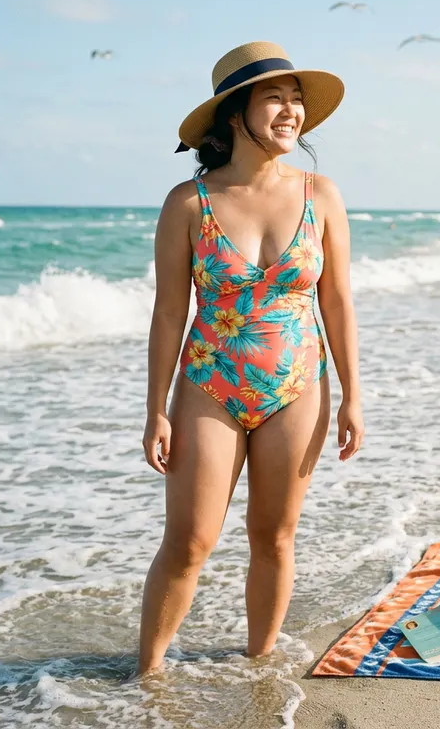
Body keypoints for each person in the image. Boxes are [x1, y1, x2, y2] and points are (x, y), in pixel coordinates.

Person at [137, 41, 364, 675]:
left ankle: (259, 669)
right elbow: (166, 313)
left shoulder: (322, 195)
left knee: (274, 537)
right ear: (235, 114)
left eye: (297, 100)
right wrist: (156, 410)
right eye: (275, 98)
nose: (291, 111)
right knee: (189, 541)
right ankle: (145, 677)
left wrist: (353, 395)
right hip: (209, 384)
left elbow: (339, 301)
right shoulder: (188, 203)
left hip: (297, 386)